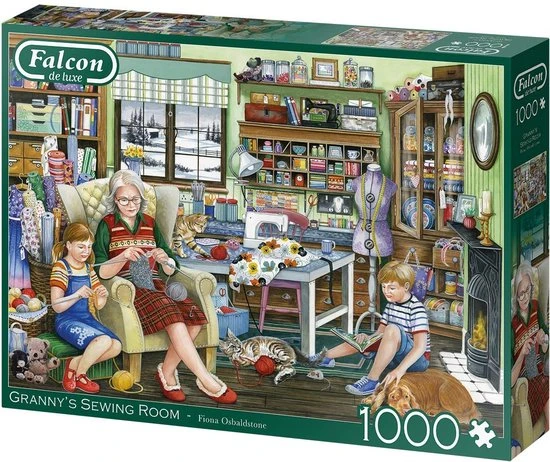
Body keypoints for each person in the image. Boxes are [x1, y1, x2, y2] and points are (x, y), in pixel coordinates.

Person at [93, 170, 237, 404]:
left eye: (135, 199)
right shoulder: (107, 225)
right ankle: (205, 379)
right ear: (114, 200)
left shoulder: (149, 223)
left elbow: (171, 268)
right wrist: (122, 257)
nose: (130, 204)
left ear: (141, 198)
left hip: (155, 284)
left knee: (194, 318)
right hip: (129, 288)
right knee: (174, 317)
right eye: (124, 200)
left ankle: (167, 371)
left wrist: (164, 259)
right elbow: (100, 271)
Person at [314, 261, 430, 396]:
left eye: (391, 288)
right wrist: (367, 339)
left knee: (392, 329)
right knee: (362, 339)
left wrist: (400, 370)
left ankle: (372, 380)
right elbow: (380, 332)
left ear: (406, 287)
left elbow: (420, 348)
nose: (386, 291)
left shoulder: (416, 309)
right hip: (394, 356)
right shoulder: (392, 305)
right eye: (384, 287)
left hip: (416, 361)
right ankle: (326, 357)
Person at [50, 223, 122, 394]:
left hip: (87, 318)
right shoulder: (61, 267)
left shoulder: (89, 269)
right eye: (81, 246)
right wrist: (77, 295)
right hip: (66, 320)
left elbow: (98, 305)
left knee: (116, 346)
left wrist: (102, 295)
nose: (86, 251)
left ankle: (73, 364)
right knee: (104, 341)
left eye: (89, 247)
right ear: (68, 245)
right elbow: (56, 306)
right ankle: (80, 375)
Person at [511, 263, 549, 432]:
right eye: (521, 293)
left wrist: (543, 339)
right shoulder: (513, 324)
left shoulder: (535, 307)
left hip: (539, 371)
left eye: (528, 290)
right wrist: (522, 354)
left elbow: (546, 341)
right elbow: (511, 379)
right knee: (546, 385)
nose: (525, 297)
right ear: (515, 295)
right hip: (525, 378)